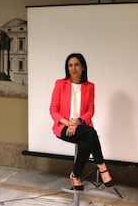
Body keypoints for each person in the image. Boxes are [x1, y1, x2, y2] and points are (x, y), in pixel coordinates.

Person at [49, 53, 115, 191]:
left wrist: (78, 121)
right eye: (70, 65)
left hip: (82, 126)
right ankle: (102, 168)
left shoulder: (89, 86)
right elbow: (53, 110)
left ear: (83, 67)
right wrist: (69, 123)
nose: (73, 68)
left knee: (85, 144)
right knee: (91, 133)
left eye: (76, 65)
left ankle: (75, 175)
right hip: (64, 127)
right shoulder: (60, 84)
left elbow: (90, 111)